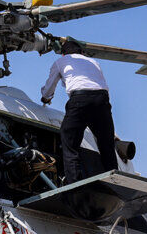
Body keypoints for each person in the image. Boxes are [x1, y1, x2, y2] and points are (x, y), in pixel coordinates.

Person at [40, 39, 117, 184]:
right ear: (82, 52)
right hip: (102, 100)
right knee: (106, 143)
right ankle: (113, 179)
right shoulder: (93, 62)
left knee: (69, 140)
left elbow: (50, 87)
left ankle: (74, 182)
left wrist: (45, 98)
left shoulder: (61, 62)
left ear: (63, 55)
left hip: (79, 99)